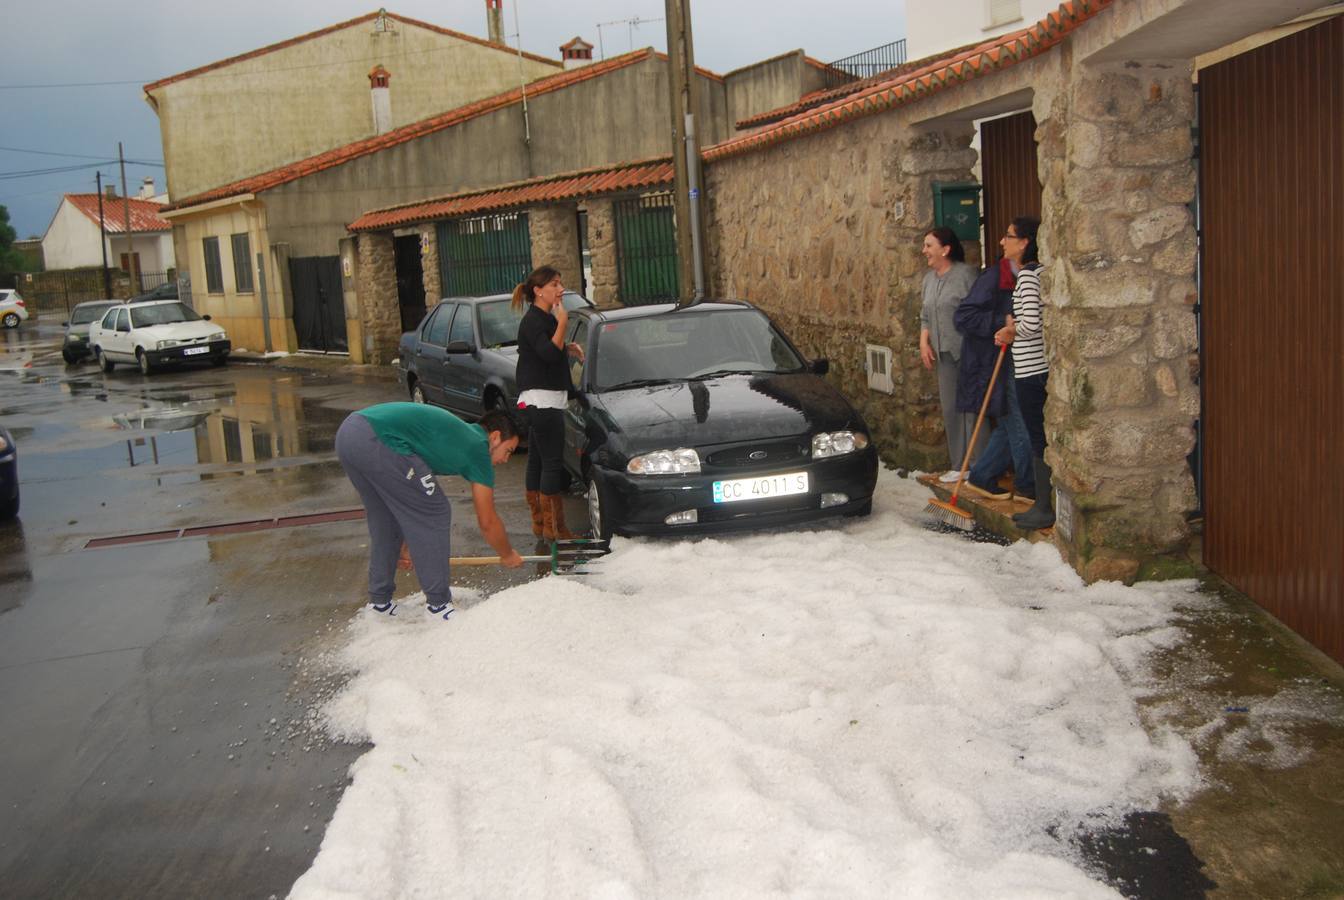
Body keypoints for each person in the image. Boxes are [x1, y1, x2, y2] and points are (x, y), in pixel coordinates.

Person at [335, 402, 524, 620]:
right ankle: (439, 607)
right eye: (508, 450)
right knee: (436, 510)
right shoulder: (478, 447)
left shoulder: (458, 435)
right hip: (377, 438)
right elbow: (487, 521)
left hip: (350, 434)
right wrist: (507, 554)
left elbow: (408, 500)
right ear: (495, 437)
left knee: (386, 518)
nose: (506, 459)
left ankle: (380, 603)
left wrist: (407, 545)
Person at [513, 265, 585, 540]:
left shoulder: (540, 318)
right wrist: (563, 322)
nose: (560, 289)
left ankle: (542, 525)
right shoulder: (535, 319)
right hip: (542, 401)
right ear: (538, 290)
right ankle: (556, 529)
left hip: (539, 399)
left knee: (538, 461)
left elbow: (543, 349)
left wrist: (566, 346)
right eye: (555, 284)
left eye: (560, 283)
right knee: (552, 463)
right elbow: (545, 353)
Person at [956, 254, 1034, 503]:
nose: (1002, 242)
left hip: (1015, 357)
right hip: (996, 359)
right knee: (1018, 419)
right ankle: (1026, 484)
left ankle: (982, 475)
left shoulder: (1024, 275)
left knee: (1011, 422)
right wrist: (1002, 321)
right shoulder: (993, 277)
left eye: (1009, 236)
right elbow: (964, 317)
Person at [993, 216, 1055, 530]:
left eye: (1009, 236)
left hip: (1031, 369)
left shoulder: (1029, 277)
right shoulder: (1037, 273)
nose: (1003, 241)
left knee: (1036, 436)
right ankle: (1040, 503)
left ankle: (1043, 506)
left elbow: (1032, 324)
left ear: (1024, 242)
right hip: (1036, 366)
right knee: (1037, 434)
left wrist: (1009, 332)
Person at [918, 227, 980, 482]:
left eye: (929, 245)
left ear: (945, 249)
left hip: (968, 351)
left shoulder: (966, 275)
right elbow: (925, 316)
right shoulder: (929, 280)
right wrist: (924, 341)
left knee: (972, 409)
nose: (924, 251)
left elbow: (978, 310)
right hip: (943, 354)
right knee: (951, 409)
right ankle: (959, 464)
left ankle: (976, 465)